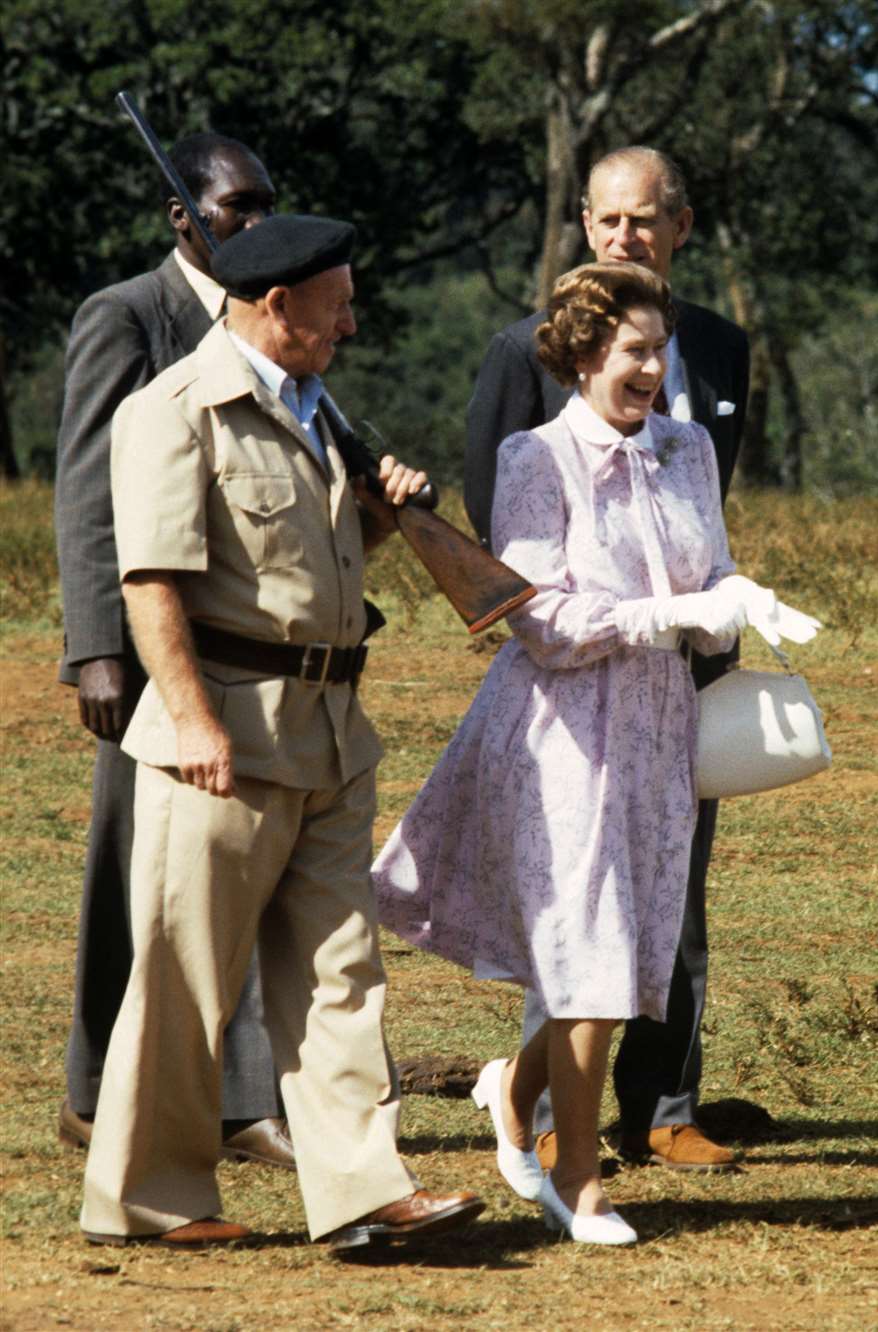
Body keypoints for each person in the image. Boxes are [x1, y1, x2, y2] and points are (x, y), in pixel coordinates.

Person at [373, 262, 818, 1245]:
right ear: (581, 355)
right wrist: (676, 612)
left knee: (626, 951)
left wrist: (738, 602)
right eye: (633, 351)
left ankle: (514, 1091)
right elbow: (546, 625)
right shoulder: (539, 459)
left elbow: (714, 564)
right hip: (563, 731)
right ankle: (577, 1179)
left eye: (660, 349)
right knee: (592, 957)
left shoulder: (691, 449)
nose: (653, 368)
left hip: (662, 728)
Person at [79, 214, 484, 1256]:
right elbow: (153, 583)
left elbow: (317, 566)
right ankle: (149, 1197)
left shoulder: (312, 410)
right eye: (336, 303)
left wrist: (386, 516)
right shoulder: (171, 413)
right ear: (275, 306)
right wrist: (192, 721)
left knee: (342, 971)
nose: (351, 323)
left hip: (332, 733)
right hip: (223, 735)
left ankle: (361, 1191)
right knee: (187, 977)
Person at [464, 146, 750, 1173]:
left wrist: (709, 611)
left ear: (681, 225)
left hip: (685, 670)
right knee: (577, 893)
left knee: (674, 887)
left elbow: (709, 498)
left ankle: (665, 1102)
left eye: (647, 220)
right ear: (585, 225)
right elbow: (497, 525)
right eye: (609, 221)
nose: (626, 236)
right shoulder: (520, 353)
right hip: (575, 670)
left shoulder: (720, 347)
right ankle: (545, 1116)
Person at [54, 131, 294, 1169]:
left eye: (263, 204)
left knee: (234, 872)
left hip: (251, 649)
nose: (255, 221)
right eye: (238, 205)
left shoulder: (269, 320)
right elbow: (86, 492)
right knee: (129, 868)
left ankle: (243, 1100)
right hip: (152, 649)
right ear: (181, 215)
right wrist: (98, 649)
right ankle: (94, 1092)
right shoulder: (128, 316)